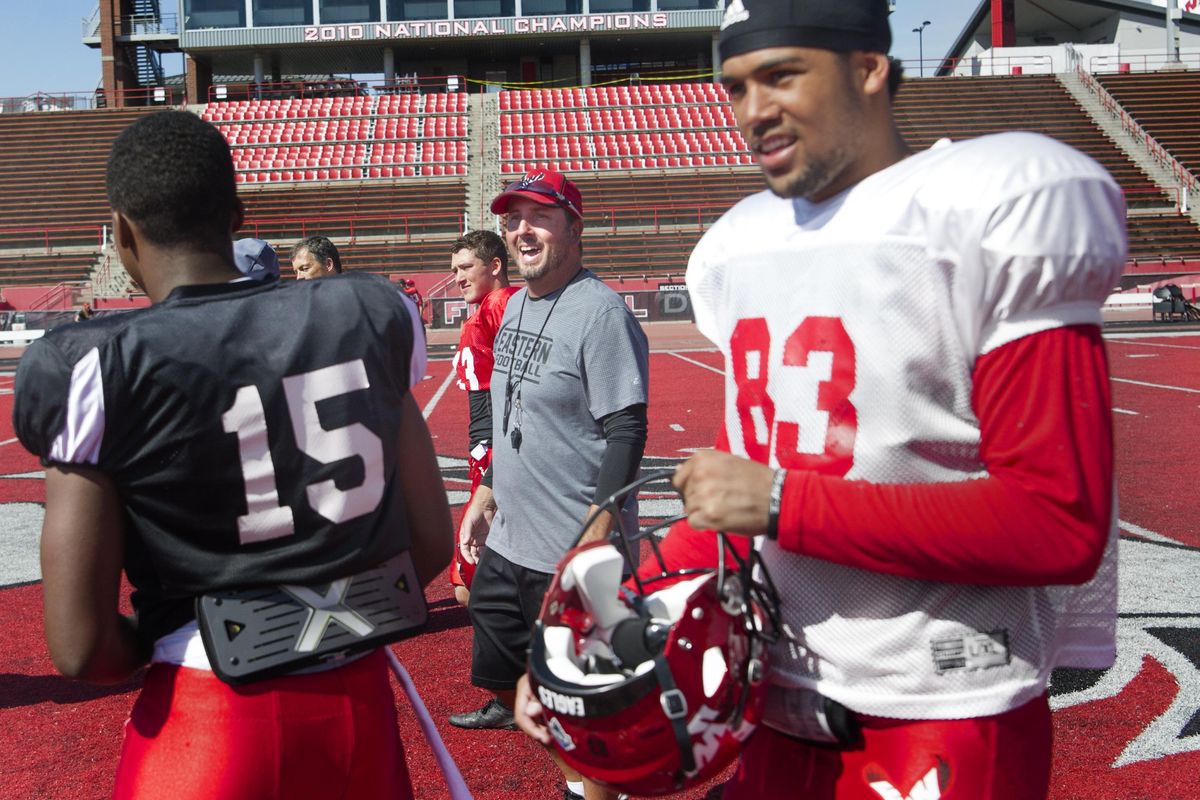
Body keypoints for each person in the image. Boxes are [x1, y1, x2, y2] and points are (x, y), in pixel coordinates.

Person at [514, 2, 1127, 799]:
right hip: (775, 702)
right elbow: (746, 516)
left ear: (870, 69)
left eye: (782, 75)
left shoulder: (984, 206)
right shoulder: (739, 245)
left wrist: (776, 502)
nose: (753, 110)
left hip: (938, 711)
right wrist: (600, 628)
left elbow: (1057, 523)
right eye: (736, 87)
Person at [13, 110, 453, 800]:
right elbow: (429, 542)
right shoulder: (370, 311)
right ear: (238, 215)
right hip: (358, 709)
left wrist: (179, 635)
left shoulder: (95, 364)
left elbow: (81, 646)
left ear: (122, 230)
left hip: (208, 721)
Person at [450, 169, 649, 800]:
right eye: (511, 220)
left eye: (537, 216)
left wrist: (598, 530)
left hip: (571, 549)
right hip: (512, 542)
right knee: (517, 686)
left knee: (587, 710)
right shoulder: (518, 307)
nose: (520, 230)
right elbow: (515, 414)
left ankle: (592, 790)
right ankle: (577, 779)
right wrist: (487, 490)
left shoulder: (601, 313)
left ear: (574, 226)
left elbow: (626, 429)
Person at [447, 230, 519, 607]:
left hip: (495, 440)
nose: (458, 276)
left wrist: (496, 448)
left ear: (494, 266)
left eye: (465, 267)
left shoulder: (501, 305)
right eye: (454, 269)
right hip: (487, 440)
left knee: (474, 573)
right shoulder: (490, 306)